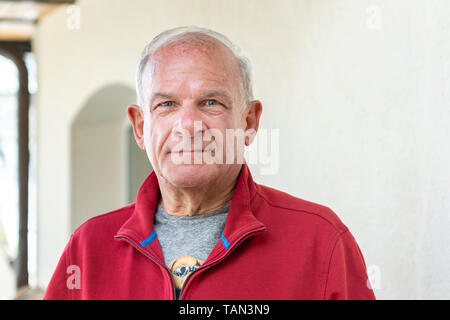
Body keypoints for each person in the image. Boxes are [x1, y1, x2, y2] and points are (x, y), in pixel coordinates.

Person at [44, 26, 375, 300]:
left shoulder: (320, 242)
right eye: (167, 104)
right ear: (141, 127)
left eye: (211, 102)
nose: (188, 124)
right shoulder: (87, 249)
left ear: (249, 121)